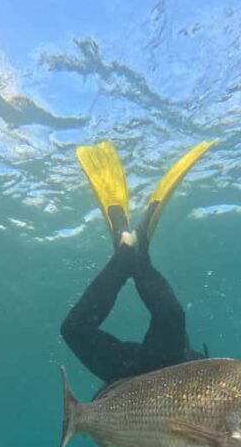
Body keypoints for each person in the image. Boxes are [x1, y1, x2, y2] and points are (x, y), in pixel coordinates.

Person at [61, 140, 214, 387]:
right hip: (170, 368)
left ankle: (125, 255)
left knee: (73, 330)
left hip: (131, 379)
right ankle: (136, 255)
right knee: (171, 316)